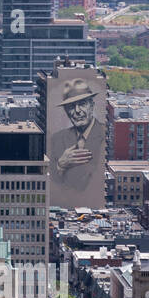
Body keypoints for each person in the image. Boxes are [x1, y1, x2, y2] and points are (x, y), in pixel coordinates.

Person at [49, 77, 105, 209]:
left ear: (92, 105)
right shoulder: (57, 139)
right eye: (71, 106)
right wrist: (60, 166)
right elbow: (52, 183)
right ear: (66, 111)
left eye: (82, 104)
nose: (77, 110)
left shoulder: (104, 134)